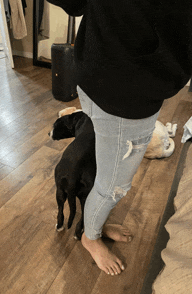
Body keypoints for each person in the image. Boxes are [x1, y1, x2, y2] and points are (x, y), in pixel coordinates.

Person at [47, 0, 192, 276]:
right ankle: (90, 236)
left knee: (105, 165)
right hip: (125, 87)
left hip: (100, 70)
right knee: (114, 184)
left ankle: (96, 223)